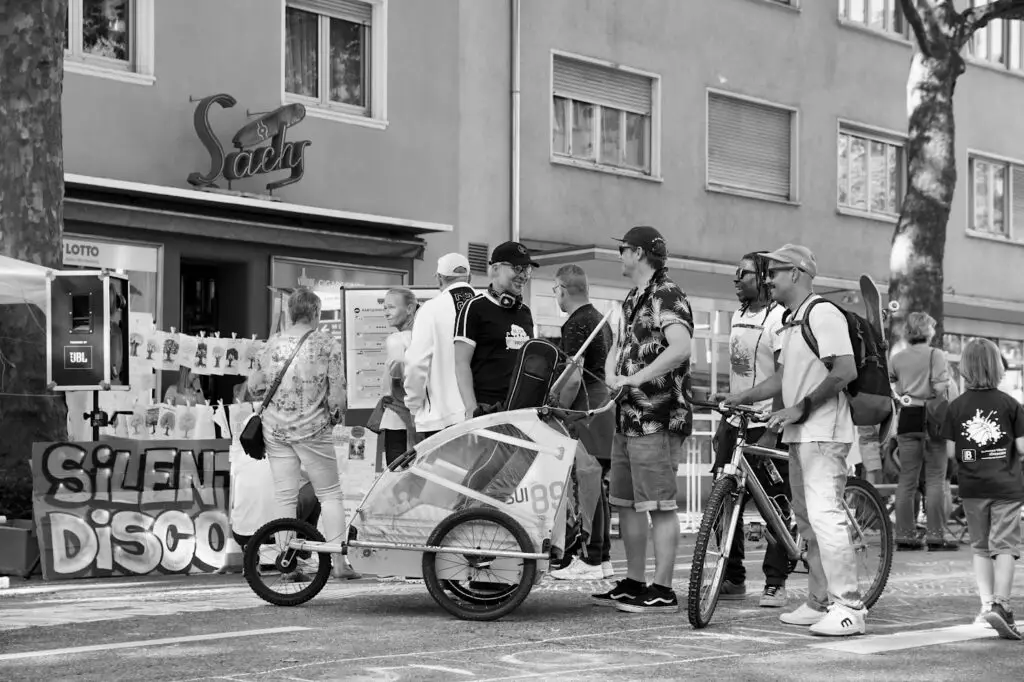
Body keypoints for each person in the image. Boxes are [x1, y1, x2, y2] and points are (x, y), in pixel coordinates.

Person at [723, 244, 867, 637]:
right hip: (802, 433)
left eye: (775, 271)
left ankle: (849, 605)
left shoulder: (822, 313)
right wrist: (743, 395)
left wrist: (801, 407)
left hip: (823, 432)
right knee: (806, 521)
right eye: (766, 272)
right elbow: (780, 379)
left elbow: (845, 370)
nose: (767, 278)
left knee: (826, 517)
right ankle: (820, 601)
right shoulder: (790, 320)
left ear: (799, 273)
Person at [591, 226, 693, 615]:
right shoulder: (634, 297)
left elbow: (681, 347)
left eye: (622, 249)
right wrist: (612, 376)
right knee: (628, 503)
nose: (619, 255)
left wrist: (635, 378)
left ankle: (663, 589)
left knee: (660, 504)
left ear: (638, 253)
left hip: (657, 415)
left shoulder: (668, 293)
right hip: (627, 415)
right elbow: (617, 346)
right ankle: (635, 582)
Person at [247, 287, 357, 580]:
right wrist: (334, 418)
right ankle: (339, 564)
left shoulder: (269, 346)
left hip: (275, 430)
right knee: (330, 494)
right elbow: (337, 397)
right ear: (316, 314)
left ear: (290, 313)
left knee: (285, 497)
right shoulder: (326, 345)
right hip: (313, 428)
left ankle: (288, 564)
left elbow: (254, 387)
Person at [713, 251, 791, 608]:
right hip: (735, 423)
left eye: (743, 274)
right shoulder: (738, 314)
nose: (736, 279)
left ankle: (775, 580)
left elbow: (783, 378)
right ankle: (732, 575)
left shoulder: (779, 319)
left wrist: (774, 426)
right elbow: (741, 371)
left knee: (774, 503)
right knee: (723, 499)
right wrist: (727, 406)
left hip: (766, 424)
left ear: (762, 277)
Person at [940, 338, 1024, 640]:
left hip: (972, 487)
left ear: (964, 369)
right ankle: (1002, 605)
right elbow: (1022, 446)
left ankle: (986, 604)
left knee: (980, 546)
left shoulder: (956, 406)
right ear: (997, 367)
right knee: (1005, 546)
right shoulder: (1010, 404)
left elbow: (950, 452)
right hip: (1006, 486)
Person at [547, 264, 615, 582]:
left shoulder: (577, 323)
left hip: (584, 406)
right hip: (602, 403)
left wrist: (557, 408)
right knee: (596, 485)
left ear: (562, 288)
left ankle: (585, 557)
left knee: (583, 484)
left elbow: (573, 376)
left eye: (554, 290)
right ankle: (601, 558)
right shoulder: (599, 319)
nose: (555, 296)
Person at [889, 312, 959, 552]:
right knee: (936, 480)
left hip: (907, 419)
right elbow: (940, 387)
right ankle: (935, 537)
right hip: (932, 420)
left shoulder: (897, 358)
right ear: (928, 331)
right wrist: (945, 384)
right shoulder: (936, 355)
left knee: (907, 480)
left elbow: (890, 387)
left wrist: (906, 391)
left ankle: (905, 537)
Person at [454, 241, 536, 419]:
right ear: (496, 269)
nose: (523, 275)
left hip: (520, 411)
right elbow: (461, 364)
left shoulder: (525, 313)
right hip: (486, 412)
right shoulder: (474, 307)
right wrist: (471, 409)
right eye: (517, 268)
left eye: (527, 270)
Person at [404, 253, 476, 439]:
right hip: (483, 414)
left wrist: (413, 405)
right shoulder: (485, 305)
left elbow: (415, 363)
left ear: (439, 278)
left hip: (440, 418)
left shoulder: (431, 309)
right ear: (470, 277)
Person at [379, 288, 418, 465]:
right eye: (385, 307)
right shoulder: (425, 337)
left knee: (399, 480)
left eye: (391, 307)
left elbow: (396, 371)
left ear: (409, 309)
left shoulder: (396, 339)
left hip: (398, 419)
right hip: (423, 421)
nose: (386, 312)